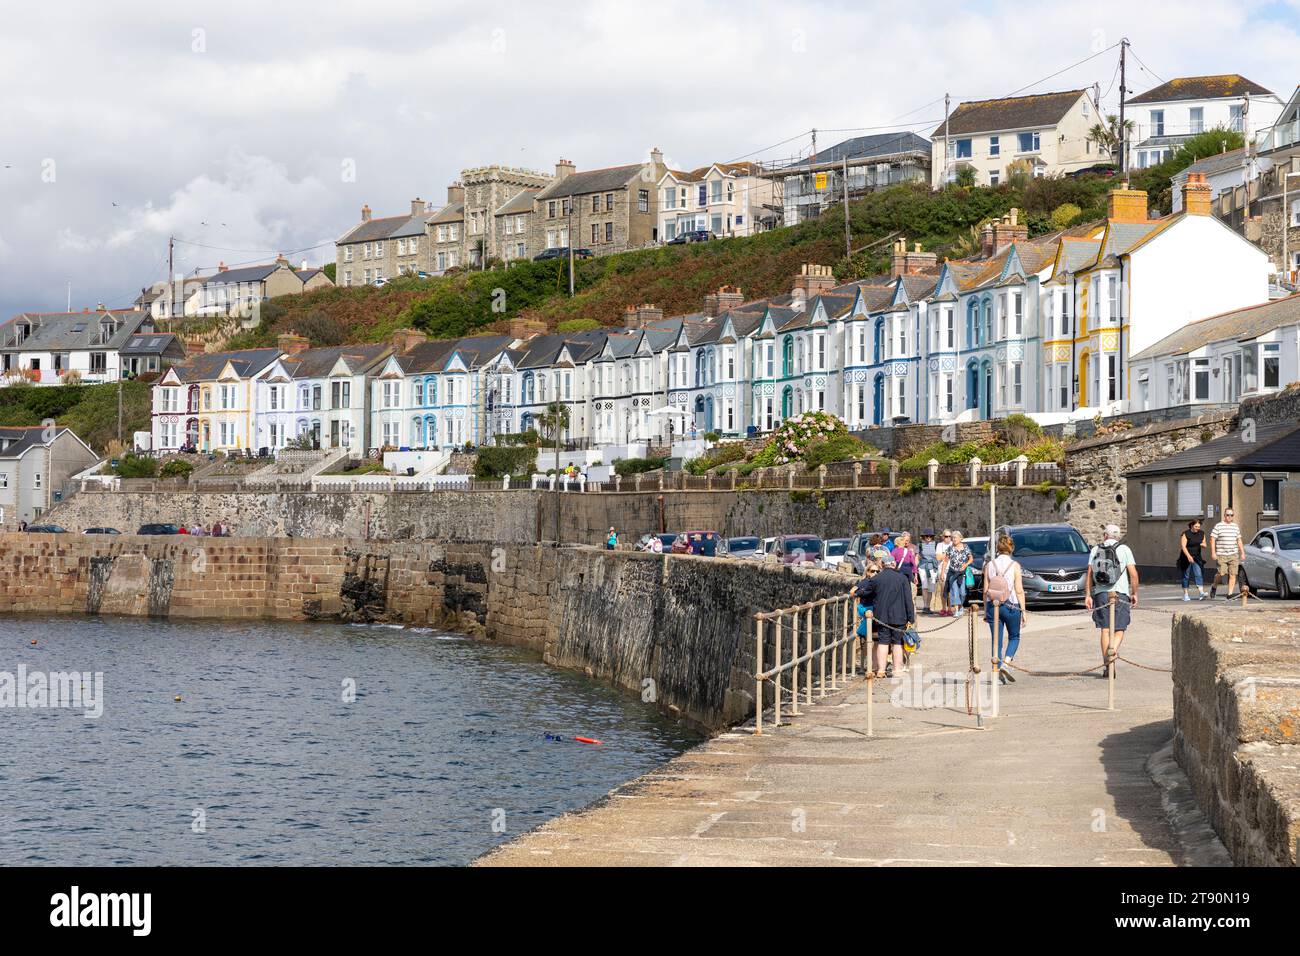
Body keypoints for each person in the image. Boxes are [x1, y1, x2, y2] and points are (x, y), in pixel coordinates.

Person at [1085, 524, 1139, 677]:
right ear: (1118, 536)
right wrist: (1134, 593)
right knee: (1120, 628)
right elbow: (1133, 574)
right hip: (1120, 594)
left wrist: (1088, 595)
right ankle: (1113, 650)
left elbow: (1089, 573)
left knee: (1105, 629)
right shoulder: (1124, 549)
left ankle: (1108, 664)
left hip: (1101, 593)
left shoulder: (1095, 550)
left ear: (1105, 535)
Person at [854, 552, 915, 681]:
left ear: (882, 564)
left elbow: (863, 592)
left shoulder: (876, 579)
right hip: (899, 616)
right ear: (893, 564)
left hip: (881, 617)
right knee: (897, 643)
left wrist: (857, 591)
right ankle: (897, 670)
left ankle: (881, 670)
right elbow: (908, 600)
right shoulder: (902, 578)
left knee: (883, 642)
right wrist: (911, 617)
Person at [983, 535, 1028, 684]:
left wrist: (985, 610)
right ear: (1011, 548)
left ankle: (996, 672)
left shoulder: (989, 565)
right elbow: (1019, 590)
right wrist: (1024, 611)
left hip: (993, 605)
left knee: (996, 641)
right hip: (1011, 605)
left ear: (998, 548)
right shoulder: (1015, 565)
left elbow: (985, 590)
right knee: (1014, 637)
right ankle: (1007, 664)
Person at [1208, 508, 1244, 599]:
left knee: (1233, 574)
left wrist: (1242, 552)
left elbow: (1239, 540)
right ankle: (1214, 586)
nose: (1229, 517)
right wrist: (1213, 553)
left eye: (1231, 515)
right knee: (1221, 573)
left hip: (1233, 554)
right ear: (1224, 515)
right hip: (1221, 554)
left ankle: (1230, 594)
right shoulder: (1218, 526)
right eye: (1227, 515)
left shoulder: (1235, 526)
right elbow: (1212, 539)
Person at [944, 531, 973, 617]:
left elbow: (971, 559)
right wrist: (942, 573)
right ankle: (956, 610)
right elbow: (946, 561)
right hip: (952, 573)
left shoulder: (965, 547)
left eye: (955, 538)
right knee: (954, 591)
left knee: (962, 593)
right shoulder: (950, 548)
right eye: (952, 538)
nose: (953, 539)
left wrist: (966, 565)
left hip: (962, 573)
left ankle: (961, 607)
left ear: (960, 538)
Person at [1178, 518, 1207, 602]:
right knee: (1186, 575)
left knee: (1198, 573)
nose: (1198, 528)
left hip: (1197, 557)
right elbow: (1183, 546)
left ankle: (1201, 593)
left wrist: (1202, 545)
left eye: (1199, 526)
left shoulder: (1201, 533)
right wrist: (1188, 556)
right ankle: (1186, 594)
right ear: (1191, 526)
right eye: (1196, 526)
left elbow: (1204, 543)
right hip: (1186, 557)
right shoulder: (1186, 534)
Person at [917, 529, 940, 614]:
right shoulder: (920, 545)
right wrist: (915, 569)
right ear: (924, 537)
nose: (928, 538)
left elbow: (938, 556)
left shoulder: (936, 545)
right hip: (923, 567)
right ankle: (925, 606)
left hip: (933, 567)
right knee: (924, 586)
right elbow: (917, 557)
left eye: (930, 536)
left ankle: (928, 606)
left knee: (931, 588)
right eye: (927, 536)